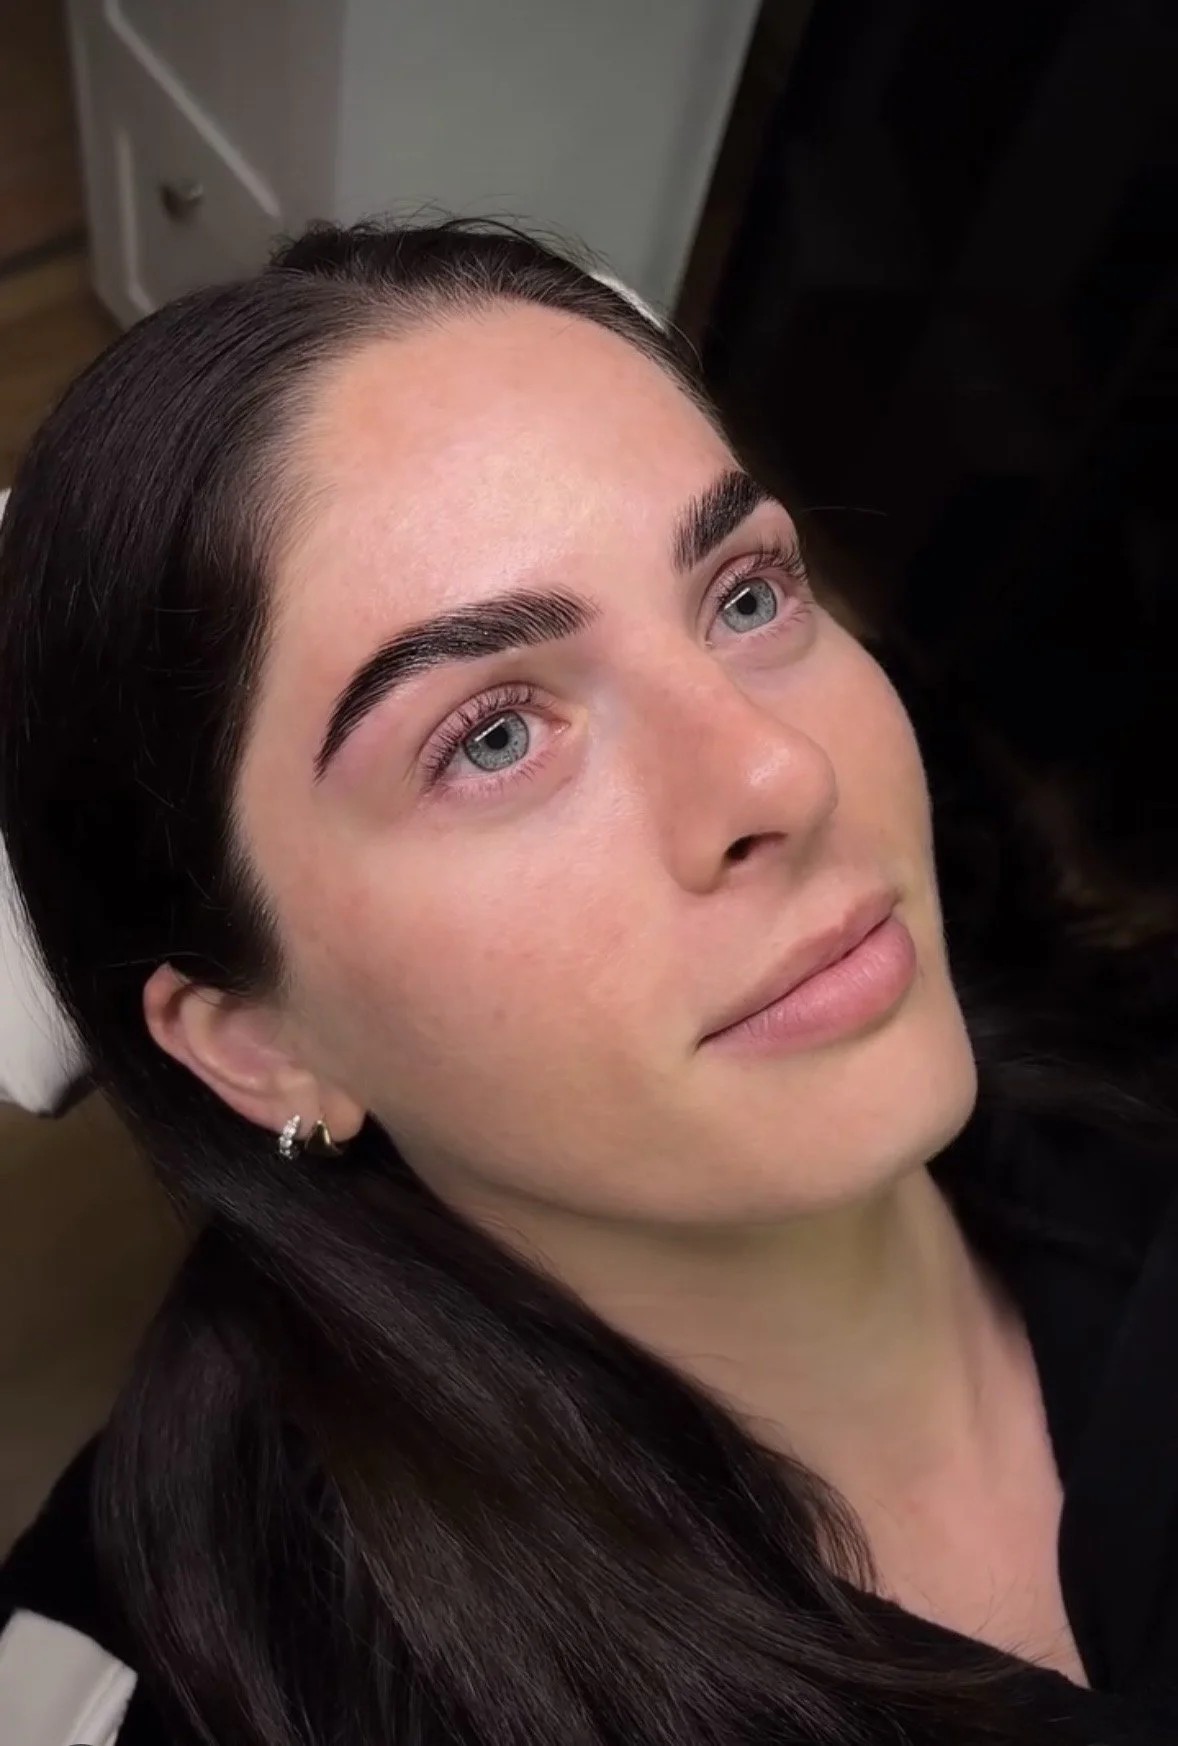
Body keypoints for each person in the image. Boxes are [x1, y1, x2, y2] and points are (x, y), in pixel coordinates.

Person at [0, 219, 1175, 1746]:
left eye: (744, 595)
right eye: (489, 736)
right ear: (260, 1044)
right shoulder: (223, 1686)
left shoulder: (1122, 1071)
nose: (779, 771)